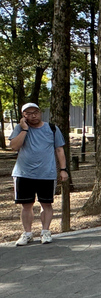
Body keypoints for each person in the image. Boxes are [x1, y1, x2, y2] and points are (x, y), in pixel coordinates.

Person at [9, 103, 68, 246]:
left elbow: (59, 150)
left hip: (46, 173)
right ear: (24, 115)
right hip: (23, 173)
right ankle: (27, 233)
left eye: (35, 112)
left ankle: (45, 232)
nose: (33, 115)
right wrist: (24, 130)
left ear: (40, 112)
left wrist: (63, 169)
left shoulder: (52, 129)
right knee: (26, 205)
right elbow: (14, 146)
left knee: (46, 204)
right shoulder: (19, 128)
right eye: (28, 113)